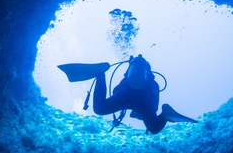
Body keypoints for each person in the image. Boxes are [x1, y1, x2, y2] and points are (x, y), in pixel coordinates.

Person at [59, 55, 196, 134]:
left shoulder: (129, 78)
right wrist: (146, 111)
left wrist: (120, 99)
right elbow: (153, 105)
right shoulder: (152, 83)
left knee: (100, 108)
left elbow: (117, 90)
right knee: (153, 128)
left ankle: (100, 75)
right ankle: (165, 114)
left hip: (126, 95)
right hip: (144, 100)